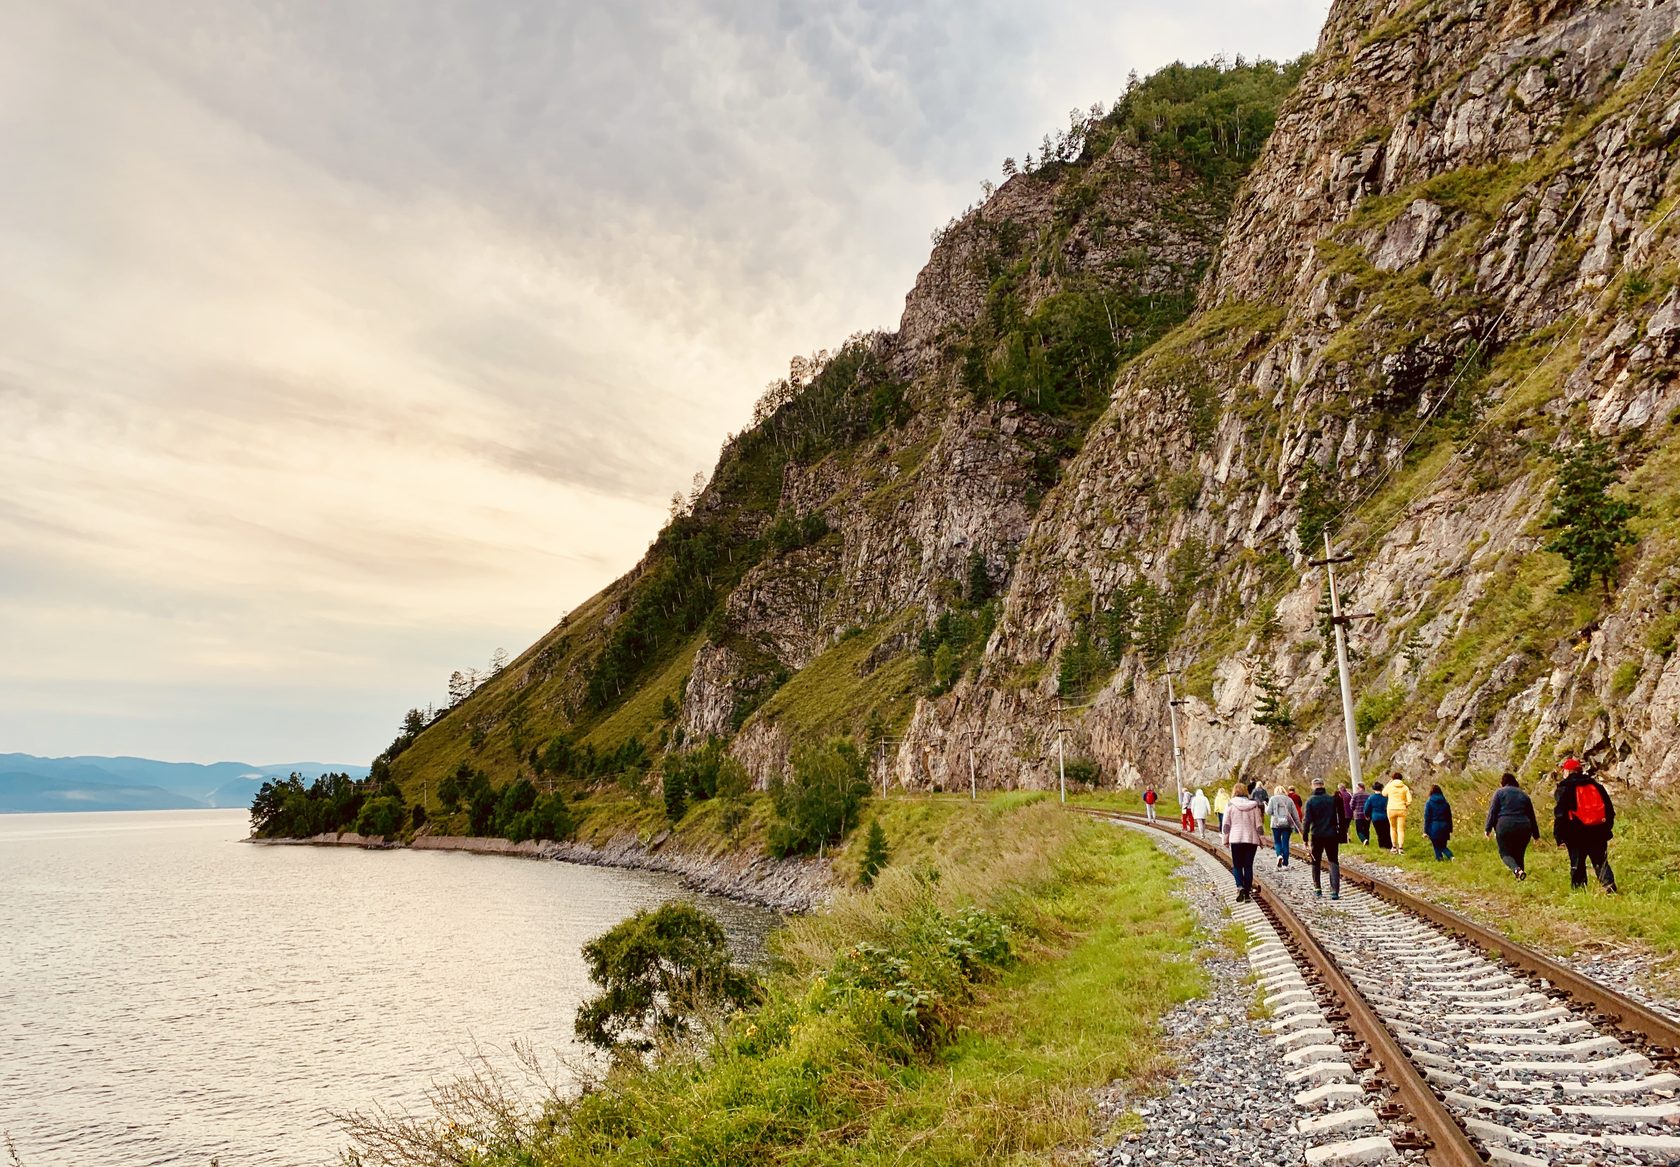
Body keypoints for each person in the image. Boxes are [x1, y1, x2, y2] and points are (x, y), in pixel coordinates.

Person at [1553, 757, 1617, 892]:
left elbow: (1560, 814)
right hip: (1598, 832)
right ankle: (1609, 886)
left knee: (1577, 863)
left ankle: (1580, 891)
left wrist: (1559, 836)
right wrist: (1606, 828)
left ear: (1567, 772)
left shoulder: (1565, 788)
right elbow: (1609, 810)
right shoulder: (1596, 786)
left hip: (1575, 833)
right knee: (1600, 861)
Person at [1484, 771, 1540, 880]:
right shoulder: (1524, 795)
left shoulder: (1499, 793)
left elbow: (1493, 811)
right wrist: (1536, 835)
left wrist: (1488, 828)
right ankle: (1520, 878)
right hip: (1524, 826)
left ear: (1503, 783)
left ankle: (1516, 870)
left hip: (1505, 825)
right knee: (1519, 854)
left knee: (1505, 852)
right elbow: (1531, 816)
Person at [1301, 776, 1348, 899]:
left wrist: (1305, 837)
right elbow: (1341, 817)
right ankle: (1335, 891)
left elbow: (1306, 821)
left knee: (1315, 861)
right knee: (1333, 861)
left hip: (1317, 835)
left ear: (1313, 786)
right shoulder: (1332, 799)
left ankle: (1317, 889)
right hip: (1332, 834)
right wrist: (1342, 834)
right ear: (1323, 786)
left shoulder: (1311, 801)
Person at [1222, 781, 1265, 902]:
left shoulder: (1230, 805)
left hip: (1235, 839)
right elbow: (1259, 826)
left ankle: (1239, 887)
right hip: (1251, 840)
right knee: (1248, 866)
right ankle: (1247, 893)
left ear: (1234, 792)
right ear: (1246, 792)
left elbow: (1226, 824)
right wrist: (1262, 841)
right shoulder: (1254, 805)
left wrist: (1225, 839)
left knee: (1237, 865)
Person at [1267, 786, 1301, 868]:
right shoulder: (1289, 800)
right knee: (1285, 842)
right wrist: (1299, 827)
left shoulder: (1272, 799)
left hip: (1275, 824)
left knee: (1277, 842)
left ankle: (1279, 855)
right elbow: (1295, 814)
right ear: (1284, 791)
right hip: (1287, 825)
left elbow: (1268, 812)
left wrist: (1266, 807)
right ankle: (1285, 863)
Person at [1423, 784, 1454, 860]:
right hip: (1445, 826)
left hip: (1434, 826)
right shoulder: (1446, 803)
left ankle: (1442, 857)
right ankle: (1448, 857)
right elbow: (1449, 816)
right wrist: (1450, 828)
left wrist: (1425, 831)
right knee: (1443, 845)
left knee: (1436, 844)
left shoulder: (1429, 803)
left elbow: (1427, 817)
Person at [1385, 772, 1414, 853]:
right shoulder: (1405, 787)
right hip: (1401, 809)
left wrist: (1388, 783)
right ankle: (1401, 847)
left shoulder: (1390, 786)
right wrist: (1406, 805)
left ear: (1393, 778)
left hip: (1391, 809)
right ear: (1401, 778)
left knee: (1392, 828)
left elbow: (1384, 793)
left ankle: (1394, 847)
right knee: (1401, 829)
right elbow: (1410, 800)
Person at [1367, 780, 1391, 851]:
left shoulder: (1371, 798)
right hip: (1386, 817)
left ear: (1374, 789)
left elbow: (1367, 807)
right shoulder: (1386, 797)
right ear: (1381, 788)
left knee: (1379, 833)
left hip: (1376, 818)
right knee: (1387, 832)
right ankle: (1389, 846)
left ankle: (1382, 846)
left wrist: (1367, 815)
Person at [1350, 780, 1371, 845]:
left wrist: (1353, 809)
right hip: (1367, 815)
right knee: (1366, 829)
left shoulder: (1355, 795)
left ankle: (1364, 840)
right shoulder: (1368, 795)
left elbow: (1352, 805)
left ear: (1359, 787)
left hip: (1358, 815)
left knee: (1359, 830)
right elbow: (1370, 805)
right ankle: (1367, 840)